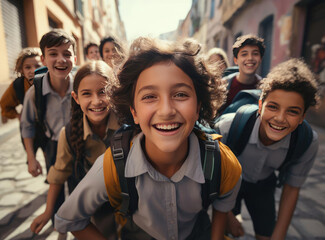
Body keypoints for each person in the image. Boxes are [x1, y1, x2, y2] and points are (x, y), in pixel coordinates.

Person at [54, 37, 242, 240]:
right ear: (133, 111)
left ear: (198, 107)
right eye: (149, 96)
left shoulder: (222, 162)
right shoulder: (112, 167)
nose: (166, 110)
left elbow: (222, 206)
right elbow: (69, 219)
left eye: (180, 94)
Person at [214, 58, 319, 240]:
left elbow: (292, 188)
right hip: (228, 185)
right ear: (260, 106)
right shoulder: (227, 127)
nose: (280, 118)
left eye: (292, 111)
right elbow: (212, 175)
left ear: (303, 116)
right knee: (228, 232)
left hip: (263, 185)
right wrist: (229, 216)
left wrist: (278, 235)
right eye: (273, 107)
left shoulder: (307, 141)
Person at [30, 60, 120, 239]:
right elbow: (59, 174)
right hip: (97, 213)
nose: (96, 101)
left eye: (103, 92)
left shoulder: (129, 127)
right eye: (87, 94)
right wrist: (48, 211)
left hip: (132, 208)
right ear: (76, 98)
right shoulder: (70, 134)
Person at [20, 28, 76, 225]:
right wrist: (31, 158)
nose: (61, 59)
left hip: (79, 144)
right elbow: (27, 127)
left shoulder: (81, 88)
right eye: (53, 53)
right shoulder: (34, 94)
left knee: (80, 189)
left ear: (74, 59)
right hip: (52, 146)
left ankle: (81, 227)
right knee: (56, 190)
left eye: (67, 54)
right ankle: (58, 225)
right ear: (43, 60)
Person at [221, 34, 265, 112]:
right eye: (244, 54)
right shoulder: (223, 85)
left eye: (255, 54)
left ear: (261, 59)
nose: (250, 58)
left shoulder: (265, 89)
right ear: (236, 60)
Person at [0, 47, 42, 123]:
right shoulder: (19, 85)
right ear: (21, 70)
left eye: (38, 66)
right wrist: (18, 116)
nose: (33, 71)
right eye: (27, 67)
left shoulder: (54, 81)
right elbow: (5, 106)